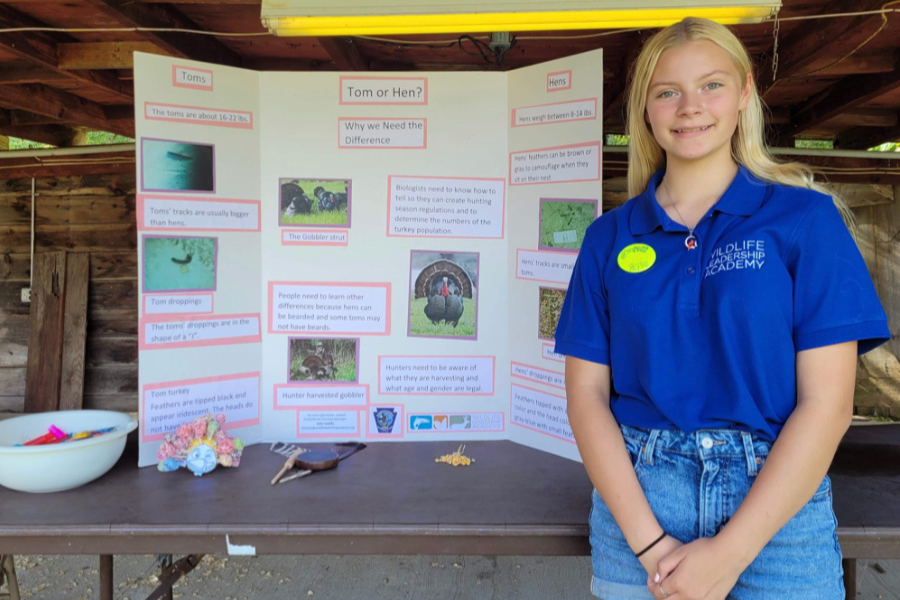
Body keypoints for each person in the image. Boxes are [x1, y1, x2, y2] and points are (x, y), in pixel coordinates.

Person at [554, 17, 891, 600]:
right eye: (668, 92)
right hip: (640, 507)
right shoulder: (608, 238)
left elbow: (828, 405)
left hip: (777, 512)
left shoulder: (805, 222)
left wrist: (732, 552)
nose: (690, 107)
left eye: (711, 85)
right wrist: (652, 546)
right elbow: (585, 400)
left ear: (744, 95)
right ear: (647, 111)